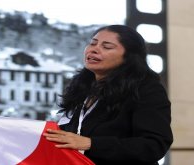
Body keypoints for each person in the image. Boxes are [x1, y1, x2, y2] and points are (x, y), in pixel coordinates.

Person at [43, 25, 173, 165]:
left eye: (107, 47)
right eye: (93, 43)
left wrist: (91, 144)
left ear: (129, 56)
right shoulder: (82, 87)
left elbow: (154, 145)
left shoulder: (146, 90)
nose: (94, 49)